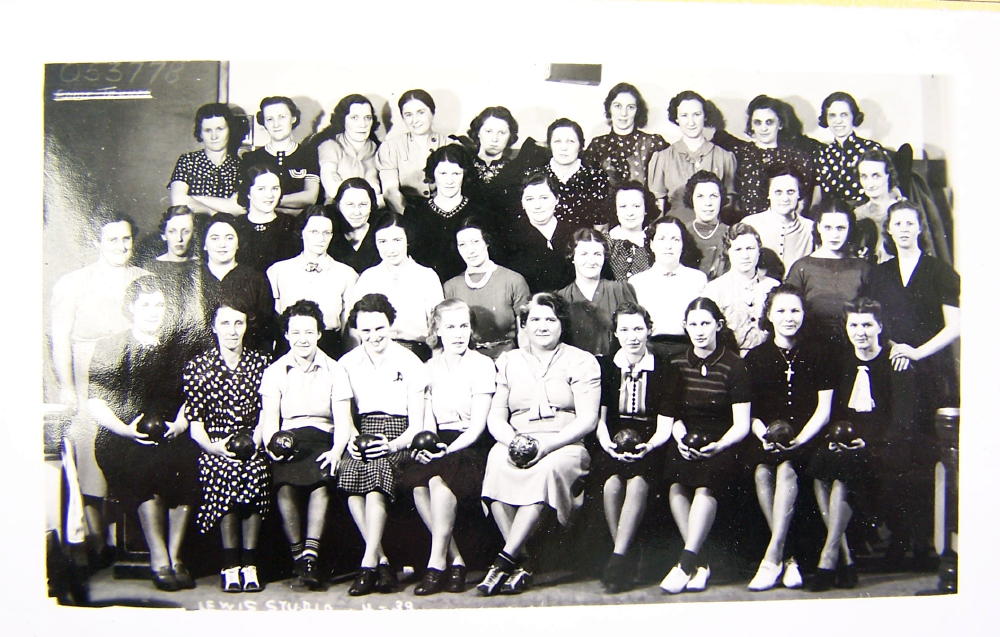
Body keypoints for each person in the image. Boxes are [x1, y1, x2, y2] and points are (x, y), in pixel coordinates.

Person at [478, 293, 601, 595]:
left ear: (562, 324)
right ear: (524, 324)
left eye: (550, 319)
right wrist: (513, 441)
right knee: (495, 463)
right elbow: (496, 417)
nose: (542, 326)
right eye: (535, 319)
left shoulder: (582, 361)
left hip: (564, 444)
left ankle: (503, 561)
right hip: (517, 439)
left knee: (545, 470)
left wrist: (546, 447)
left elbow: (587, 420)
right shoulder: (508, 361)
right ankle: (523, 562)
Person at [50, 212, 150, 567]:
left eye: (126, 239)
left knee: (129, 440)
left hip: (130, 369)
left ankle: (127, 540)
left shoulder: (144, 278)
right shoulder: (73, 282)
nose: (121, 246)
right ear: (97, 242)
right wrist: (67, 387)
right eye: (112, 240)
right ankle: (95, 540)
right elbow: (60, 338)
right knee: (89, 445)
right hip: (87, 370)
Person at [88, 276, 200, 591]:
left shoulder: (177, 347)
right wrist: (124, 430)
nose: (153, 311)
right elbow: (95, 401)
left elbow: (191, 397)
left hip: (170, 432)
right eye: (146, 305)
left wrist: (181, 423)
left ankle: (176, 557)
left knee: (191, 464)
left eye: (159, 305)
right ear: (131, 309)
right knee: (144, 466)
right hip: (122, 435)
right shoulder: (110, 346)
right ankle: (159, 557)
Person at [864, 200, 960, 568]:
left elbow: (955, 325)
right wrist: (893, 348)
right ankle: (897, 541)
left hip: (930, 374)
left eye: (909, 223)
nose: (903, 228)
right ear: (888, 229)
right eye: (897, 223)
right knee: (892, 456)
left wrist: (917, 353)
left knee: (923, 457)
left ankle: (924, 544)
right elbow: (872, 322)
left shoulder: (939, 271)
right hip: (890, 373)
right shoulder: (879, 273)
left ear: (919, 227)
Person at [806, 298, 913, 591]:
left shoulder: (895, 360)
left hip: (882, 445)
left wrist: (868, 442)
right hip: (845, 438)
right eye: (854, 325)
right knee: (819, 466)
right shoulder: (841, 360)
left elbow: (902, 420)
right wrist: (835, 439)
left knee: (843, 471)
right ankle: (845, 556)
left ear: (880, 326)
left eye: (867, 324)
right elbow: (834, 411)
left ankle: (829, 557)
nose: (860, 332)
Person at [743, 285, 834, 591]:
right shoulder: (756, 357)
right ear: (769, 315)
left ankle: (772, 558)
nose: (788, 317)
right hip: (768, 437)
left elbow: (824, 408)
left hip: (808, 439)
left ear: (804, 314)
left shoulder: (820, 352)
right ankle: (790, 557)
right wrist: (764, 435)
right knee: (761, 471)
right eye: (780, 311)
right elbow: (751, 413)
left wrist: (802, 439)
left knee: (786, 469)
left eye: (795, 310)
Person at [257, 300, 353, 590]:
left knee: (322, 484)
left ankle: (310, 556)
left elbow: (343, 418)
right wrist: (272, 446)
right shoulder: (275, 371)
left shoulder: (335, 370)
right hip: (288, 439)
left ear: (319, 334)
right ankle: (298, 555)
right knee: (284, 485)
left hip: (323, 437)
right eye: (296, 332)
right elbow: (270, 418)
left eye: (309, 332)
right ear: (286, 335)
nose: (302, 339)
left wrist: (337, 450)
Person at [337, 293, 428, 596]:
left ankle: (367, 564)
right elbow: (344, 416)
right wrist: (350, 438)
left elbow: (416, 425)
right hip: (363, 434)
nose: (373, 336)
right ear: (356, 331)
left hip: (398, 437)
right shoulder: (346, 363)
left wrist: (391, 445)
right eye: (365, 330)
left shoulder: (410, 361)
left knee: (375, 475)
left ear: (391, 325)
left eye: (379, 328)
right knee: (350, 475)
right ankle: (382, 561)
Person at [659, 297, 751, 594]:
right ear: (685, 327)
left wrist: (719, 445)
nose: (699, 330)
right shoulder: (676, 363)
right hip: (686, 435)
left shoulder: (734, 364)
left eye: (706, 324)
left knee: (704, 486)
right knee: (676, 485)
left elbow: (742, 424)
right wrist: (681, 438)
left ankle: (685, 563)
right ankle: (701, 562)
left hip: (724, 439)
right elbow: (672, 416)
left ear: (718, 326)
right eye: (694, 324)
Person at [405, 299, 496, 595]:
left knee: (436, 481)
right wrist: (429, 444)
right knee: (419, 485)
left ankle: (436, 564)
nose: (459, 334)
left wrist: (448, 449)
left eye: (464, 326)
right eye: (451, 327)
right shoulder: (428, 368)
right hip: (439, 441)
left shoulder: (483, 365)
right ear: (437, 330)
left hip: (471, 444)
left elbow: (477, 426)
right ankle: (456, 560)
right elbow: (428, 418)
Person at [183, 297, 272, 593]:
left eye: (238, 323)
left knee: (256, 471)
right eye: (225, 323)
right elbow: (195, 425)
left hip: (252, 440)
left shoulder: (262, 363)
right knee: (223, 472)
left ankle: (250, 563)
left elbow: (266, 415)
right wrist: (213, 448)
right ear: (213, 327)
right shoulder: (198, 366)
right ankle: (230, 564)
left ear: (247, 326)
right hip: (216, 443)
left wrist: (255, 443)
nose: (232, 330)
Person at [593, 302, 677, 593]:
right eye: (625, 329)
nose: (632, 336)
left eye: (638, 329)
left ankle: (617, 559)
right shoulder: (606, 366)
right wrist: (607, 446)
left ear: (649, 330)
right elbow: (600, 421)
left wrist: (648, 446)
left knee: (639, 481)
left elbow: (665, 426)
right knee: (612, 485)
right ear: (616, 333)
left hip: (651, 442)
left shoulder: (665, 368)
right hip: (612, 440)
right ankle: (624, 553)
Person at [346, 212, 444, 361]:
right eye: (383, 241)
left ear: (407, 240)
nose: (390, 249)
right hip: (374, 355)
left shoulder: (426, 276)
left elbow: (438, 327)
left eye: (397, 240)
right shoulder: (368, 277)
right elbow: (353, 329)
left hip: (417, 354)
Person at [266, 206, 358, 358]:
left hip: (330, 348)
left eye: (326, 233)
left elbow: (348, 328)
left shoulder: (346, 274)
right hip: (288, 348)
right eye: (314, 232)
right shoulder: (278, 271)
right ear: (301, 233)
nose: (321, 238)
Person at [712, 94, 816, 221]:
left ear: (780, 124)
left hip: (784, 228)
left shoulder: (797, 157)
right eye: (758, 122)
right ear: (751, 126)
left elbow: (802, 203)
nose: (763, 128)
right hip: (746, 227)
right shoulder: (739, 152)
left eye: (769, 122)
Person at [785, 199, 871, 347]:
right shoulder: (802, 267)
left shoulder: (862, 268)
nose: (834, 235)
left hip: (852, 346)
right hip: (810, 346)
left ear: (850, 229)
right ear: (818, 227)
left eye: (840, 228)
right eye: (828, 227)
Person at [443, 218, 530, 360]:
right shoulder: (451, 287)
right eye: (463, 245)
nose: (470, 250)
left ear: (487, 242)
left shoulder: (513, 280)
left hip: (507, 361)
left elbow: (525, 334)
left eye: (475, 242)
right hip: (467, 363)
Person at [406, 143, 491, 281]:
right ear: (433, 173)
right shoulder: (416, 213)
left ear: (465, 175)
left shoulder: (479, 211)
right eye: (443, 173)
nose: (449, 180)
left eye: (456, 173)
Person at [647, 90, 736, 220]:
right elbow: (657, 209)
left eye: (696, 114)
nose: (691, 122)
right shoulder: (662, 158)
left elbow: (729, 207)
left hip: (712, 233)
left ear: (705, 116)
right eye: (684, 115)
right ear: (676, 118)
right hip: (675, 232)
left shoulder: (725, 158)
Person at [627, 216, 707, 357]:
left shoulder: (698, 279)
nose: (668, 246)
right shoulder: (637, 282)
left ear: (683, 245)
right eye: (662, 239)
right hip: (649, 350)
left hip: (688, 350)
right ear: (651, 244)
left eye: (675, 239)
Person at [198, 213, 277, 354]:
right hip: (198, 363)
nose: (222, 244)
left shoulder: (256, 279)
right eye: (214, 238)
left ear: (238, 243)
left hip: (247, 362)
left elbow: (266, 330)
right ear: (204, 244)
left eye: (229, 237)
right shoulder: (193, 277)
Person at [556, 229, 637, 356]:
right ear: (572, 257)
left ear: (604, 257)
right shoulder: (560, 298)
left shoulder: (621, 291)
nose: (591, 260)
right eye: (584, 254)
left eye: (597, 254)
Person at [703, 224, 780, 355]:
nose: (745, 255)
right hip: (729, 359)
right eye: (738, 249)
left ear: (758, 251)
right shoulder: (714, 290)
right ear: (728, 251)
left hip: (766, 359)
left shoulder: (773, 286)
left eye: (750, 248)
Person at [241, 96, 320, 215]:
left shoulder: (309, 154)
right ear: (264, 122)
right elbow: (244, 199)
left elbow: (310, 197)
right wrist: (291, 207)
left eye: (282, 117)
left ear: (293, 118)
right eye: (269, 119)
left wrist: (267, 202)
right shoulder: (251, 158)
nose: (276, 124)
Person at [377, 89, 451, 214]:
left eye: (420, 112)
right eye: (408, 114)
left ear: (433, 112)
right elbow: (390, 192)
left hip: (444, 212)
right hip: (405, 212)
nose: (415, 120)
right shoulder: (390, 148)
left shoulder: (450, 145)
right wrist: (411, 218)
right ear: (402, 117)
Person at [852, 148, 932, 264]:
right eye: (864, 176)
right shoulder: (857, 214)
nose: (870, 183)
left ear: (888, 175)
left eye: (876, 175)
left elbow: (922, 253)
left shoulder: (903, 211)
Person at [503, 172, 578, 293]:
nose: (537, 206)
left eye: (544, 198)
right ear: (522, 203)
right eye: (530, 199)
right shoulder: (511, 240)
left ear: (557, 199)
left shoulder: (575, 233)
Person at [141, 206, 204, 349]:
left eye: (186, 231)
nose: (179, 238)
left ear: (194, 233)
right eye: (172, 231)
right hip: (163, 341)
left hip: (195, 340)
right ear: (164, 235)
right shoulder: (151, 268)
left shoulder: (201, 267)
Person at [168, 103, 246, 216]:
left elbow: (240, 208)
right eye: (208, 130)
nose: (214, 136)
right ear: (200, 133)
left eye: (219, 129)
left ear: (230, 129)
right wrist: (214, 211)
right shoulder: (188, 161)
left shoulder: (241, 166)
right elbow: (178, 202)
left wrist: (194, 199)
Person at [583, 82, 668, 188]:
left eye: (630, 107)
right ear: (609, 108)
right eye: (618, 106)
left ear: (637, 110)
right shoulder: (597, 146)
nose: (624, 113)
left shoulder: (653, 144)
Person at [533, 117, 610, 228]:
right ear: (550, 145)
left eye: (571, 141)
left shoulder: (596, 176)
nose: (564, 148)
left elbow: (601, 226)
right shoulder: (536, 176)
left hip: (584, 242)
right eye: (557, 141)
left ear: (580, 146)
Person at [814, 91, 885, 204]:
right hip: (832, 217)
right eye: (832, 115)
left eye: (844, 115)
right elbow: (817, 198)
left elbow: (888, 189)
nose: (838, 121)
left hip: (865, 215)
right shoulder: (822, 154)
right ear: (826, 118)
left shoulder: (871, 149)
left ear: (853, 116)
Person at [742, 163, 815, 272]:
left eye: (791, 192)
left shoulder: (810, 228)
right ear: (768, 194)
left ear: (799, 194)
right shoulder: (750, 224)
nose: (785, 198)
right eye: (778, 192)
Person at [315, 94, 382, 204]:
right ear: (343, 120)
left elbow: (376, 188)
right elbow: (331, 186)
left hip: (369, 210)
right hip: (336, 210)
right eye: (354, 118)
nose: (363, 124)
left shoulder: (376, 149)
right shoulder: (330, 145)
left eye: (367, 118)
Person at [232, 163, 299, 273]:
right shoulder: (235, 226)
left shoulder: (291, 225)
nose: (269, 195)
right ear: (248, 192)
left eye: (275, 188)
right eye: (261, 189)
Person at [326, 178, 383, 273]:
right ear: (338, 205)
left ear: (371, 205)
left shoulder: (382, 229)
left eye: (363, 204)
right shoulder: (327, 231)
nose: (357, 212)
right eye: (350, 204)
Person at [603, 181, 655, 282]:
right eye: (623, 206)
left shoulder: (656, 241)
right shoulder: (604, 243)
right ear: (615, 209)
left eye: (636, 206)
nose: (630, 213)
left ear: (646, 209)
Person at [683, 171, 730, 280]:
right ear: (691, 199)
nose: (708, 203)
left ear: (721, 198)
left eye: (713, 196)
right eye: (700, 196)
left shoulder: (732, 234)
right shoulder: (681, 233)